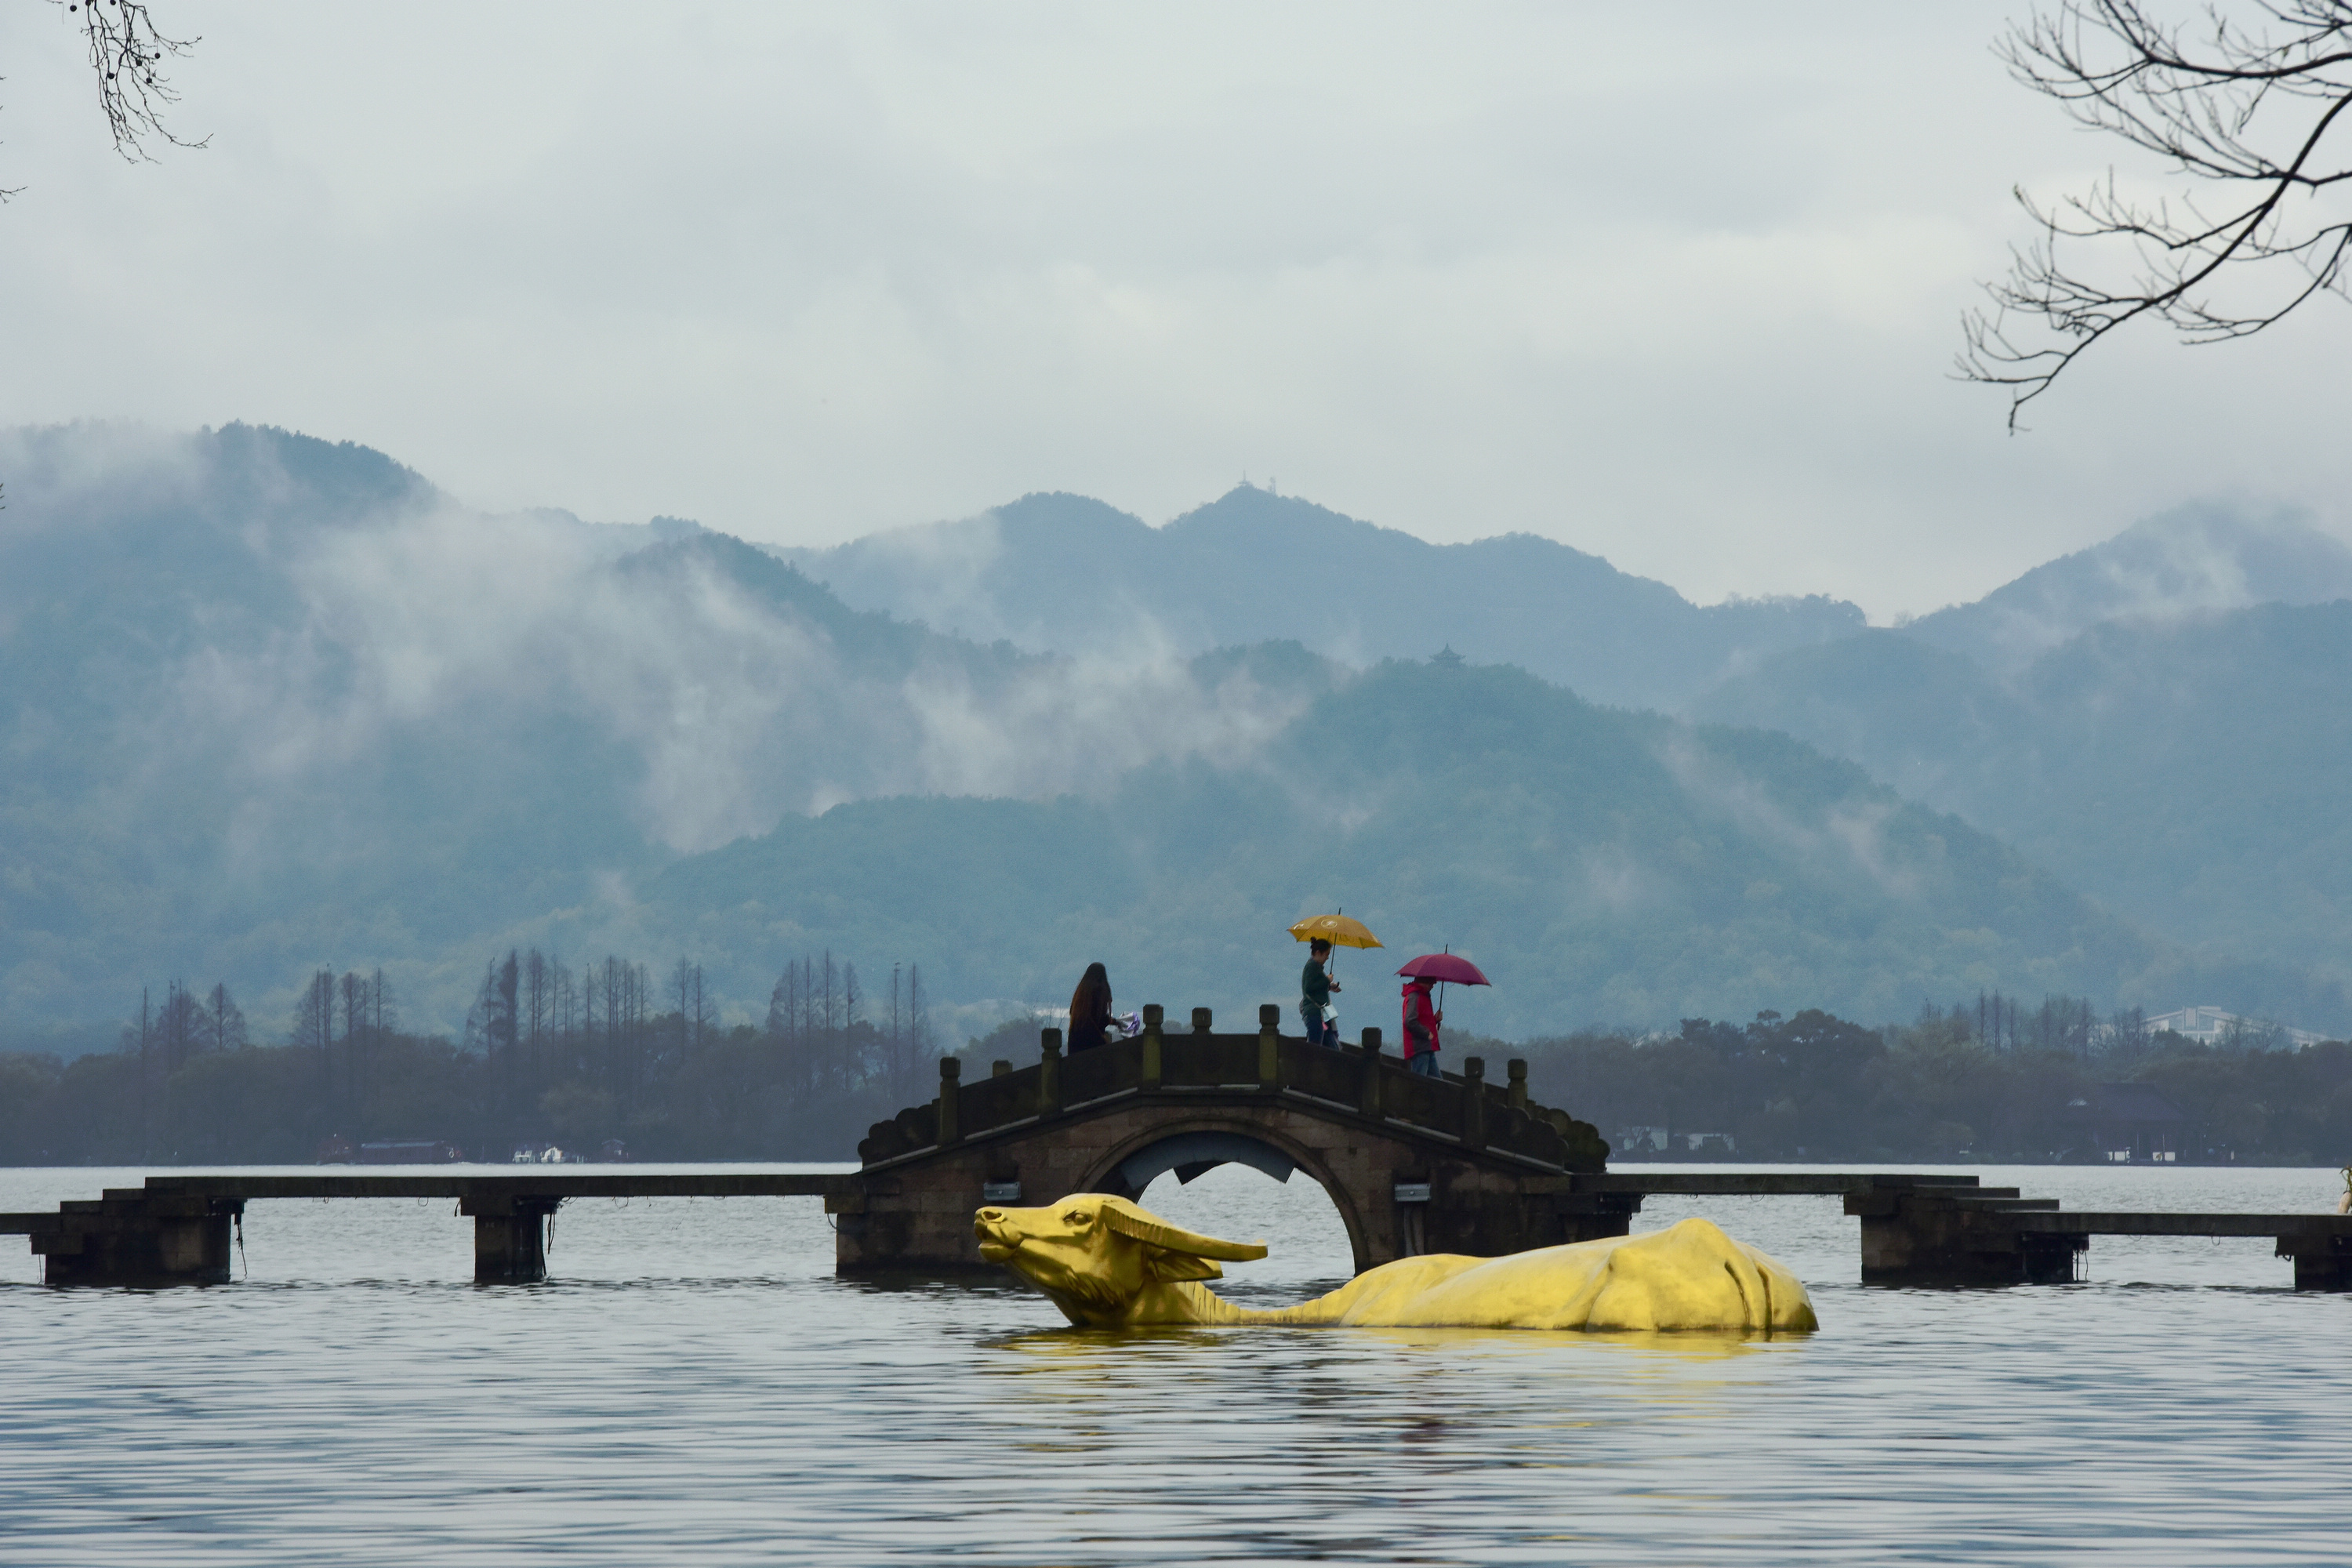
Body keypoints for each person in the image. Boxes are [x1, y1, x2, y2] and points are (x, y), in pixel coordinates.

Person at [1300, 938, 1341, 1047]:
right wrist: (1327, 980)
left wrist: (1330, 986)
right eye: (1326, 954)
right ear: (1318, 953)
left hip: (1321, 1014)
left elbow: (1316, 987)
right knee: (1315, 1045)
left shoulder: (1315, 967)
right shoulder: (1312, 966)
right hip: (1314, 1012)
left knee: (1328, 1044)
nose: (1327, 957)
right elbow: (1309, 988)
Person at [1400, 974, 1443, 1076]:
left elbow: (1422, 1020)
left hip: (1427, 1048)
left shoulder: (1423, 996)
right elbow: (1409, 1021)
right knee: (1420, 1083)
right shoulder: (1414, 997)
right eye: (1431, 983)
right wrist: (1427, 1033)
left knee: (1437, 1084)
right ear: (1424, 982)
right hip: (1419, 1049)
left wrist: (1435, 1020)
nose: (1433, 986)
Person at [1068, 962, 1116, 1052]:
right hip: (1092, 1044)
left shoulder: (1081, 991)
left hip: (1075, 1042)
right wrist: (1114, 1022)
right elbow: (1099, 1019)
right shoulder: (1100, 990)